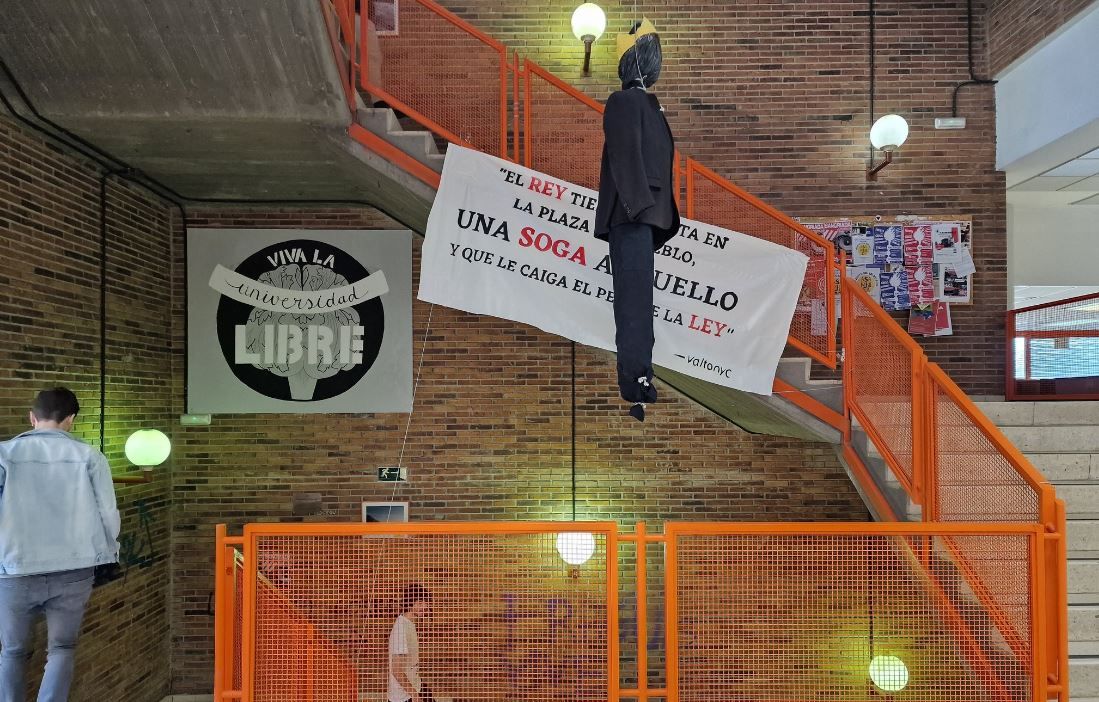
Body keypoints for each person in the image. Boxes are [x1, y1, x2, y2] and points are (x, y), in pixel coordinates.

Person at [0, 388, 121, 702]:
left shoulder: (4, 454)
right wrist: (110, 553)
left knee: (12, 651)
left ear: (32, 417)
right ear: (71, 419)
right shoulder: (90, 456)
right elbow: (108, 512)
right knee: (62, 648)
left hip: (14, 568)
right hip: (74, 568)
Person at [594, 18, 680, 423]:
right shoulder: (623, 102)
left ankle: (641, 376)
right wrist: (638, 207)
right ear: (644, 60)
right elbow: (625, 156)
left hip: (642, 218)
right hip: (632, 215)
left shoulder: (648, 105)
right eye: (656, 56)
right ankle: (634, 381)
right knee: (632, 303)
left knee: (640, 303)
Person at [388, 583, 432, 702]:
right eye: (420, 603)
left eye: (426, 602)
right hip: (404, 696)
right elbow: (396, 670)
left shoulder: (409, 624)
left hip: (417, 686)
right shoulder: (401, 629)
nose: (425, 606)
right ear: (410, 603)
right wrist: (415, 696)